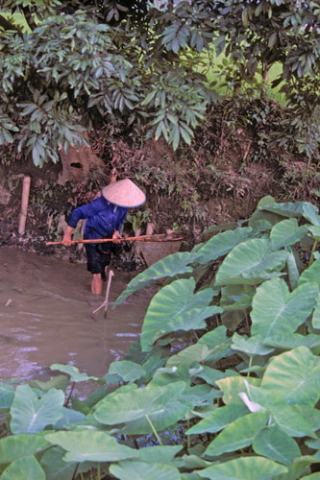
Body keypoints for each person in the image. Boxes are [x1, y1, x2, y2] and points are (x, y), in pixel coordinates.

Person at [62, 179, 146, 294]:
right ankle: (97, 302)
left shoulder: (124, 207)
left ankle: (93, 293)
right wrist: (67, 234)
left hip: (107, 239)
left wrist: (116, 232)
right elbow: (77, 213)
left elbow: (120, 222)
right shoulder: (100, 204)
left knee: (104, 270)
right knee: (98, 275)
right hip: (92, 238)